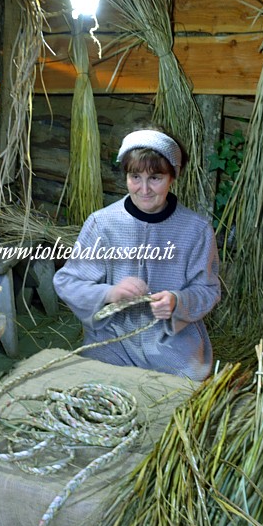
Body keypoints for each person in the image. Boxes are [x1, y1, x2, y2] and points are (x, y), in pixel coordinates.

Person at [53, 126, 221, 380]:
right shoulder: (103, 224)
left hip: (171, 342)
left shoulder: (196, 230)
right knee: (96, 383)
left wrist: (178, 301)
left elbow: (208, 290)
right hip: (113, 339)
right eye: (135, 177)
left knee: (181, 390)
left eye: (155, 178)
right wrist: (109, 293)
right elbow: (67, 282)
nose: (144, 189)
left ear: (173, 177)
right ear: (126, 176)